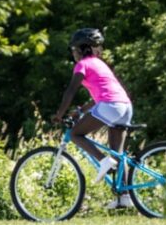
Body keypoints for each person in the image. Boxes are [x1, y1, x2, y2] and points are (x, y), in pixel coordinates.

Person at [52, 28, 135, 209]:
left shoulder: (82, 64)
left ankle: (103, 161)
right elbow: (99, 96)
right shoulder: (99, 64)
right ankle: (125, 197)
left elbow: (70, 91)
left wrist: (59, 114)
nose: (73, 53)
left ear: (83, 49)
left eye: (74, 49)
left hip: (110, 105)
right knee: (118, 154)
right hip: (125, 106)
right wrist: (81, 110)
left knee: (75, 134)